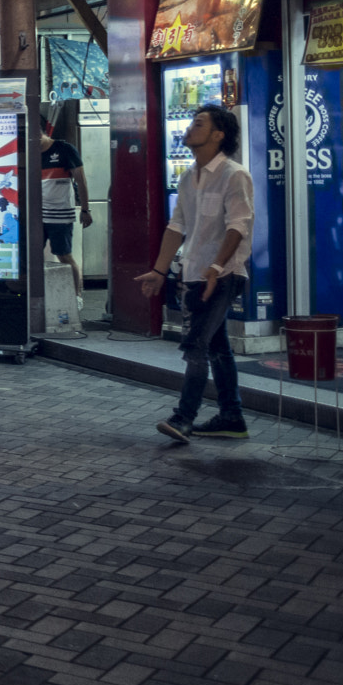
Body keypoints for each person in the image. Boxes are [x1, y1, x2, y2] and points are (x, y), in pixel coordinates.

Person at [136, 105, 254, 442]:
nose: (189, 128)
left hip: (224, 275)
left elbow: (238, 226)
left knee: (197, 345)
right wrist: (160, 270)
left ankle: (183, 418)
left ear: (218, 135)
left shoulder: (234, 175)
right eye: (190, 122)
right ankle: (232, 416)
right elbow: (177, 227)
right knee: (217, 348)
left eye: (198, 124)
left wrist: (217, 266)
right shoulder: (189, 176)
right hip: (194, 273)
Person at [40, 121, 94, 294]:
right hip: (36, 214)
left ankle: (75, 296)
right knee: (32, 256)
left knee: (64, 255)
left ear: (40, 132)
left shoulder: (64, 149)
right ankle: (42, 295)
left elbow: (81, 180)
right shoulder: (30, 153)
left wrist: (85, 209)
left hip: (60, 214)